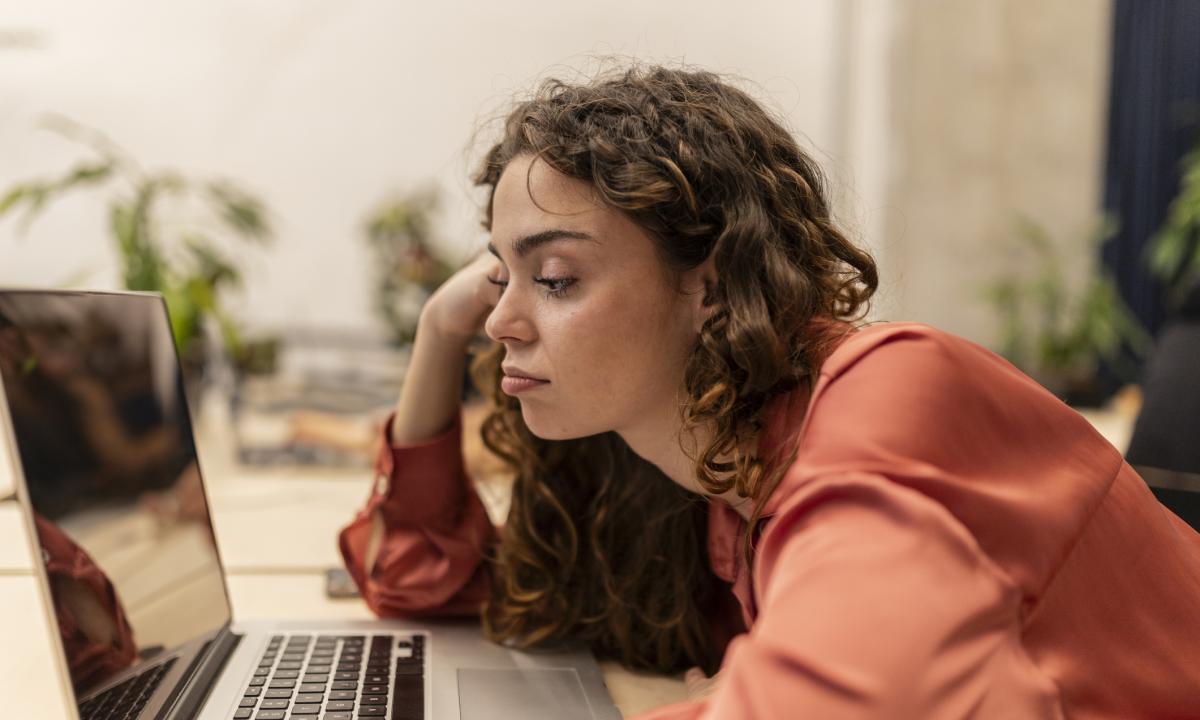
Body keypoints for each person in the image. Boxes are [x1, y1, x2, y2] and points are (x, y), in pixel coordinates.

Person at [339, 66, 1200, 718]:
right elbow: (432, 588)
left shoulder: (889, 395)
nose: (502, 321)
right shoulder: (692, 465)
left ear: (708, 288)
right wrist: (436, 337)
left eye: (556, 278)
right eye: (501, 277)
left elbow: (858, 700)